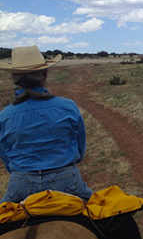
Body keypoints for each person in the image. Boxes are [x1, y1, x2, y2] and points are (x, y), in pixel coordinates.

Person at [0, 45, 93, 203]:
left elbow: (6, 157)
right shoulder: (68, 107)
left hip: (21, 185)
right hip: (66, 181)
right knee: (105, 216)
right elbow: (79, 149)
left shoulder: (4, 116)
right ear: (45, 74)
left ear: (14, 78)